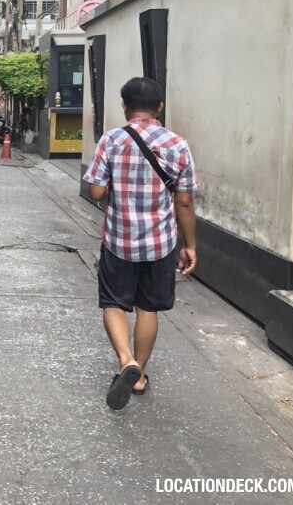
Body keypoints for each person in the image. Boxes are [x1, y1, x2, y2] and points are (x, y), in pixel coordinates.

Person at [83, 77, 198, 411]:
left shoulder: (112, 140)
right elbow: (185, 202)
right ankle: (140, 374)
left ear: (124, 105)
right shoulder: (178, 144)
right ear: (160, 107)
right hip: (161, 244)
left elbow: (95, 192)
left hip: (119, 240)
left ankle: (125, 360)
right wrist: (189, 244)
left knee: (114, 303)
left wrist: (112, 192)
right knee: (148, 307)